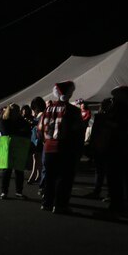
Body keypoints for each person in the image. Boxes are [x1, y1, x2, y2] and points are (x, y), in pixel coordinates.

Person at [39, 81, 84, 214]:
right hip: (65, 148)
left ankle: (47, 202)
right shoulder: (73, 110)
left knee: (50, 178)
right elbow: (78, 131)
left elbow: (40, 129)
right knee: (64, 178)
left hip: (48, 148)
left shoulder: (47, 109)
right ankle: (60, 205)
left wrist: (45, 142)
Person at [0, 104, 31, 199]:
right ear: (10, 111)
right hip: (8, 148)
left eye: (17, 110)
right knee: (6, 171)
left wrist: (16, 133)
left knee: (19, 171)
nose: (16, 112)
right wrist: (19, 132)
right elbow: (6, 132)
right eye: (14, 110)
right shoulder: (4, 121)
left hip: (18, 147)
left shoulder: (21, 121)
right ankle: (4, 192)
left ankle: (19, 192)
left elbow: (27, 131)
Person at [105, 86, 128, 214]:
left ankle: (116, 205)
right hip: (121, 147)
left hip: (117, 147)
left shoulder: (119, 108)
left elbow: (115, 124)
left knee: (115, 177)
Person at [28, 97, 46, 184]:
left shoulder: (42, 115)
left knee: (36, 156)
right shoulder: (41, 115)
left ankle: (34, 174)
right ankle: (37, 174)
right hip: (36, 137)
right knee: (36, 156)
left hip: (38, 138)